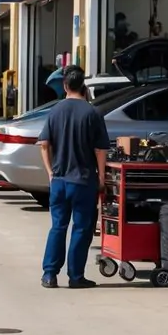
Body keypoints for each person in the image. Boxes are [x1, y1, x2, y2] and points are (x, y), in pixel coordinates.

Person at [38, 65, 110, 289]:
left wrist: (51, 172)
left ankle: (49, 275)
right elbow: (100, 150)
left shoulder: (55, 111)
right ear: (84, 86)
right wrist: (101, 178)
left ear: (65, 86)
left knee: (58, 227)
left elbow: (44, 145)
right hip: (83, 181)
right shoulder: (92, 113)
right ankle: (76, 276)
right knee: (81, 228)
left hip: (59, 181)